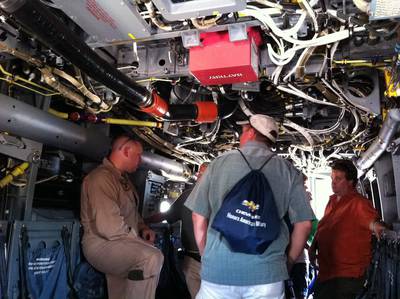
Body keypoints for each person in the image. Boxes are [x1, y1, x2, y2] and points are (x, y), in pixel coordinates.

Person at [185, 114, 315, 299]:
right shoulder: (288, 170)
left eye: (242, 131)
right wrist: (288, 263)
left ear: (251, 132)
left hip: (218, 272)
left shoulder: (218, 163)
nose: (240, 136)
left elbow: (198, 216)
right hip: (268, 274)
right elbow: (304, 225)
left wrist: (207, 256)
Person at [80, 135, 164, 299]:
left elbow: (132, 212)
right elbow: (110, 228)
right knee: (151, 257)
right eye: (138, 155)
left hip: (121, 241)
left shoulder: (123, 179)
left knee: (121, 290)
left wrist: (143, 227)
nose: (140, 160)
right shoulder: (101, 178)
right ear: (126, 151)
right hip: (102, 243)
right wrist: (140, 241)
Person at [310, 159, 386, 299]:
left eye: (338, 179)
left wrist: (378, 227)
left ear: (350, 181)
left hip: (345, 276)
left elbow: (373, 223)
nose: (333, 182)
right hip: (327, 273)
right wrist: (313, 247)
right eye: (332, 178)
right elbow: (323, 227)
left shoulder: (358, 203)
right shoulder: (332, 201)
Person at [145, 163, 208, 298]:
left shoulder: (221, 198)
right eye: (200, 173)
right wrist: (143, 221)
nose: (200, 176)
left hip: (213, 261)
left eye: (205, 173)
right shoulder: (186, 197)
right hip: (191, 260)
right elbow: (166, 215)